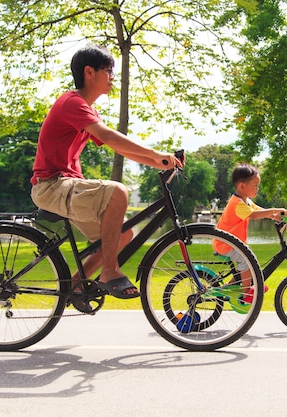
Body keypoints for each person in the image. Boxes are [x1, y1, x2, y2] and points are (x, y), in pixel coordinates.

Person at [30, 44, 183, 311]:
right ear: (89, 72)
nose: (113, 77)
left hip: (64, 186)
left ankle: (74, 284)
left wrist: (160, 160)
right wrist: (156, 153)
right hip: (51, 186)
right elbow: (110, 137)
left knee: (123, 235)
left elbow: (118, 147)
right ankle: (110, 271)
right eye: (109, 70)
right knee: (118, 191)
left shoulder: (84, 109)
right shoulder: (72, 103)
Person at [213, 164, 287, 302]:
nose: (257, 189)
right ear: (242, 186)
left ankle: (229, 287)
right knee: (245, 260)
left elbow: (258, 209)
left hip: (232, 243)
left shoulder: (245, 201)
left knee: (247, 257)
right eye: (255, 185)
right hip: (225, 244)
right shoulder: (237, 204)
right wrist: (274, 210)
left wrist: (274, 216)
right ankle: (246, 293)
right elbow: (253, 215)